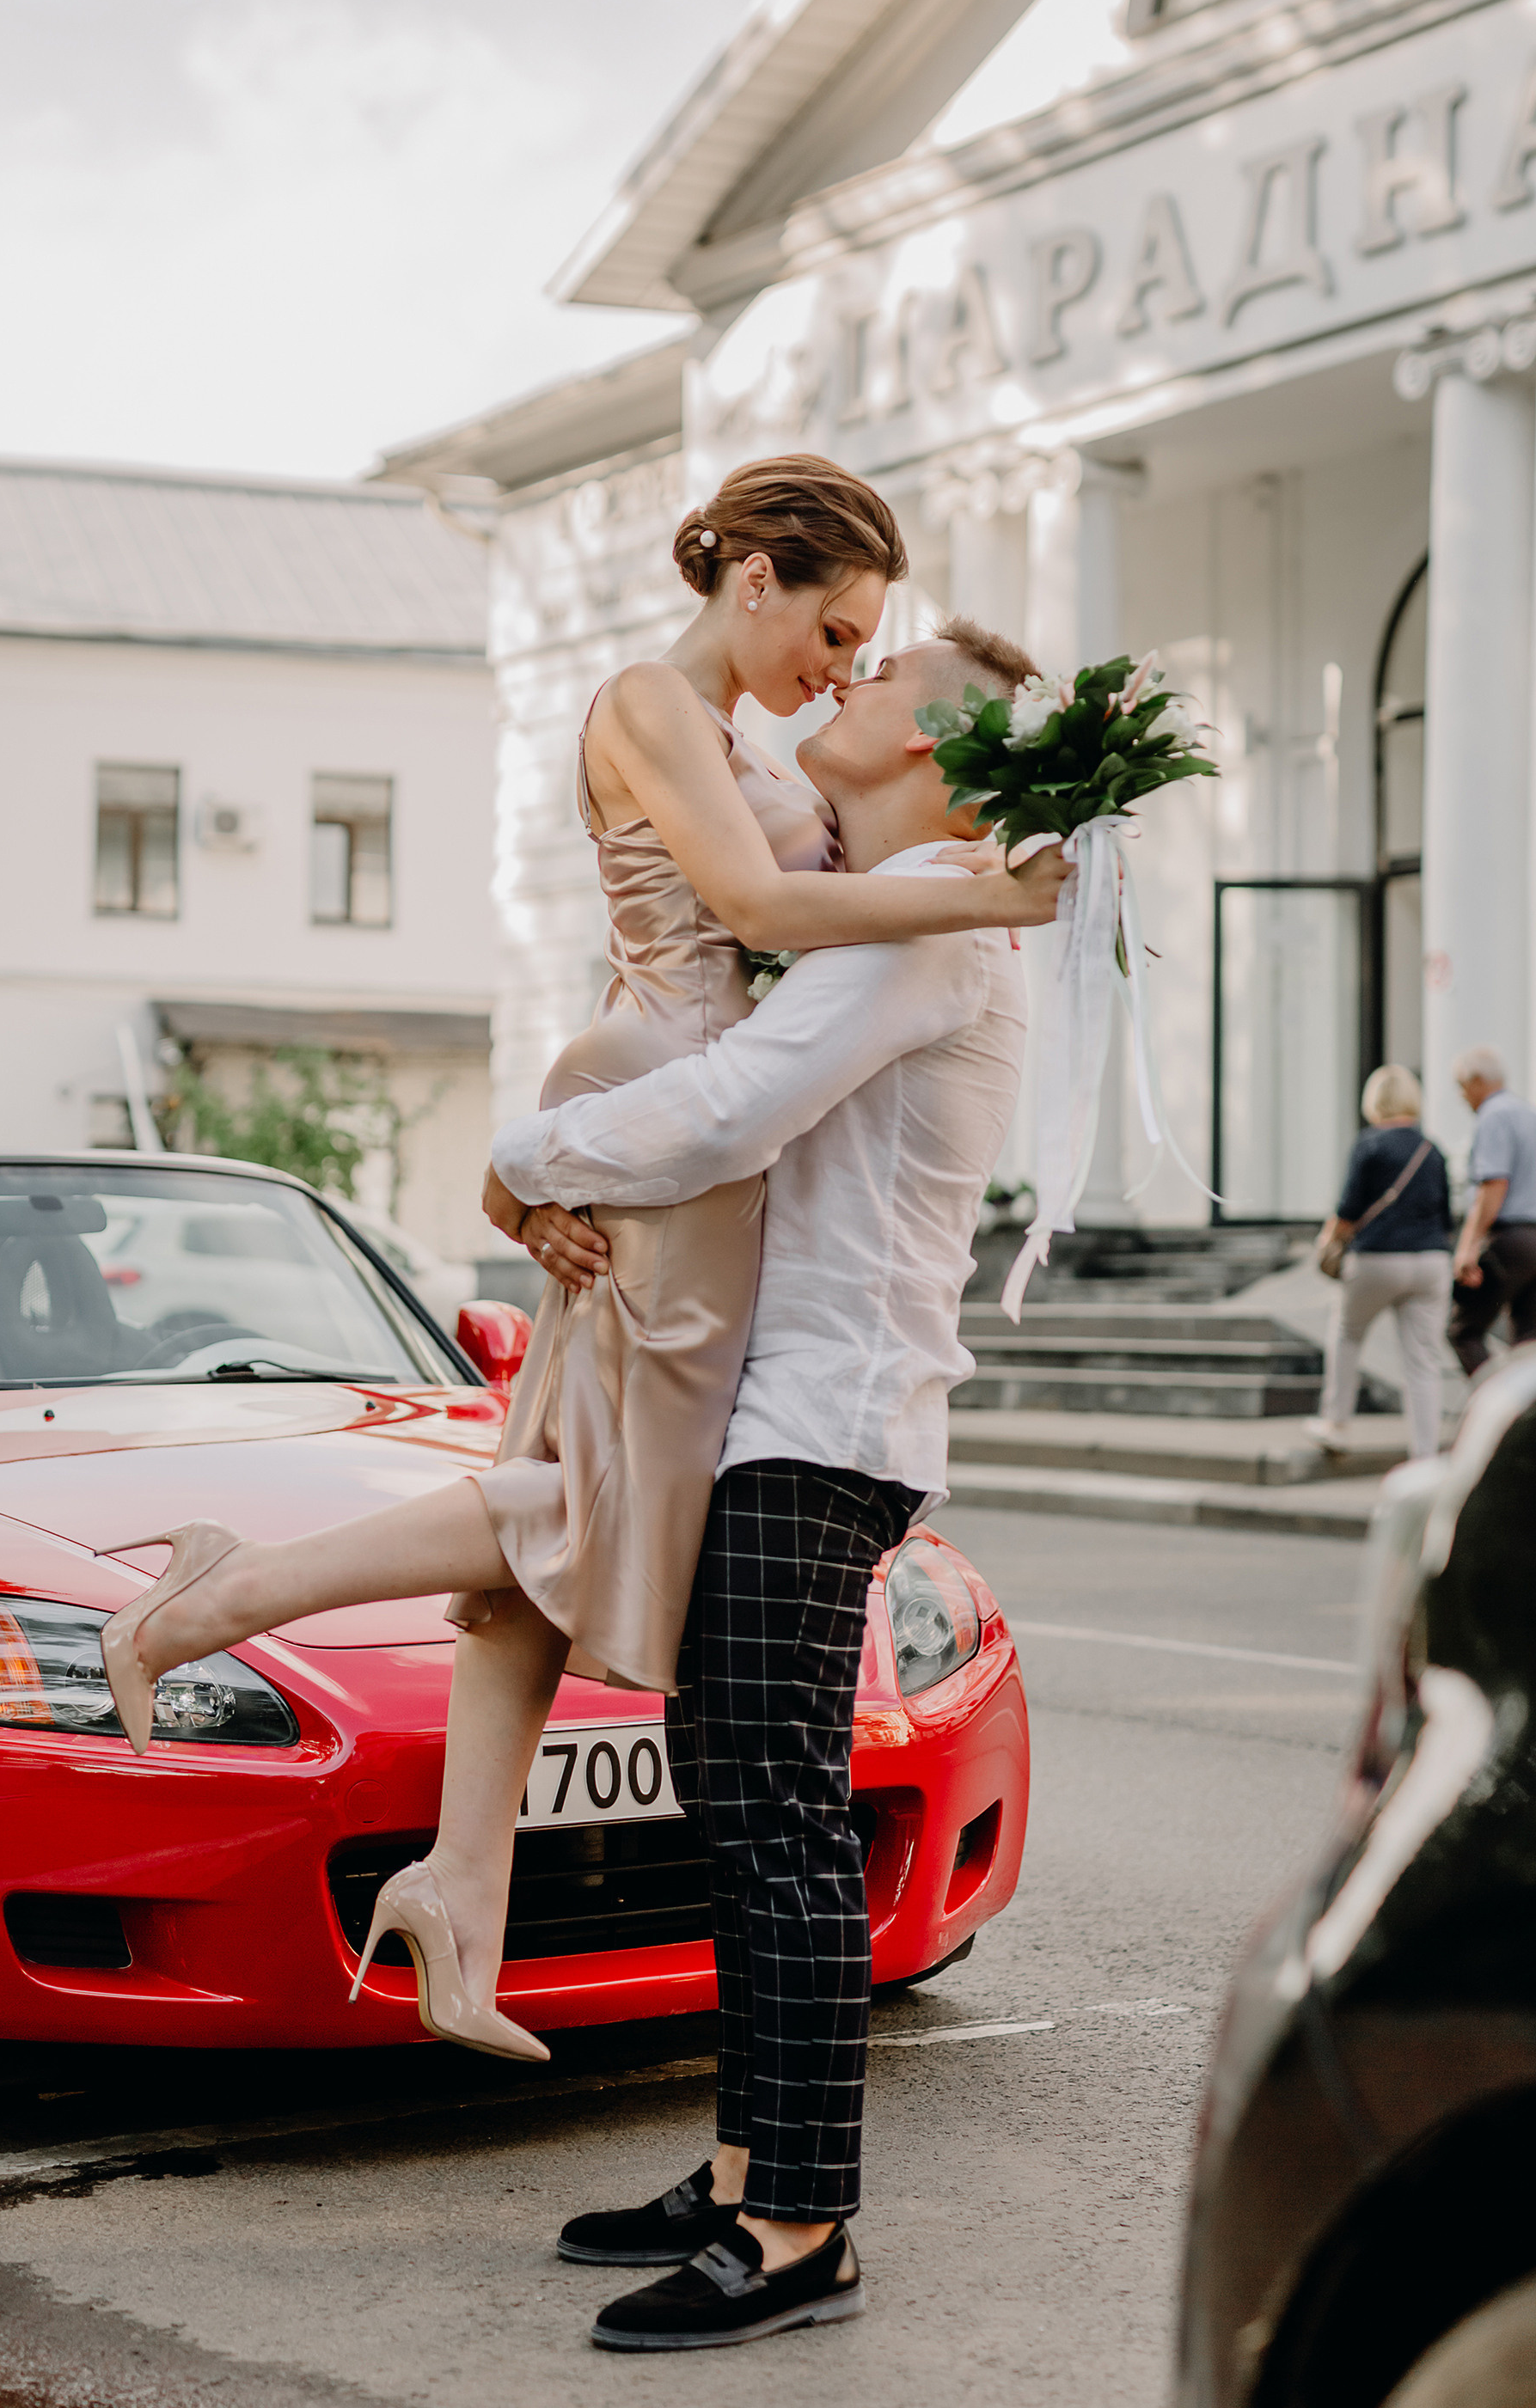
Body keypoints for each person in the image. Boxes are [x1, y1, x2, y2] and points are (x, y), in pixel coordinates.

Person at [101, 455, 1067, 2063]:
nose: (839, 665)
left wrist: (955, 869)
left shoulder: (757, 738)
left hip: (697, 1122)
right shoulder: (646, 698)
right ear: (749, 575)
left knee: (573, 1476)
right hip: (665, 1107)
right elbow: (758, 899)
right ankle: (224, 1595)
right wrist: (965, 899)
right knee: (609, 1496)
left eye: (864, 651)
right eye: (833, 628)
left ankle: (459, 1894)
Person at [487, 620, 1042, 2350]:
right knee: (735, 1800)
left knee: (775, 1818)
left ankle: (799, 2229)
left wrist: (517, 1165)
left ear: (931, 758)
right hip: (783, 1413)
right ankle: (748, 2167)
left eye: (876, 689)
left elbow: (727, 1111)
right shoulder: (893, 911)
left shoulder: (931, 924)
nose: (839, 690)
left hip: (826, 1421)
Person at [1305, 1064, 1451, 1460]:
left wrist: (1328, 1240)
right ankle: (1425, 1456)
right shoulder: (1432, 1149)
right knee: (1424, 1363)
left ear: (1374, 1101)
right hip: (1431, 1262)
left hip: (1378, 1258)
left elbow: (1348, 1209)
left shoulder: (1369, 1144)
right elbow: (1445, 1213)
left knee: (1348, 1334)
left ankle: (1335, 1425)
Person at [1448, 1045, 1536, 1375]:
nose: (1461, 1096)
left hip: (1510, 1238)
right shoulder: (1529, 1113)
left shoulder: (1494, 1116)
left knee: (1463, 1331)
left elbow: (1493, 1185)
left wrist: (1468, 1246)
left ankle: (1500, 1413)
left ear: (1477, 1081)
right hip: (1534, 1239)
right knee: (1528, 1341)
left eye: (1461, 1086)